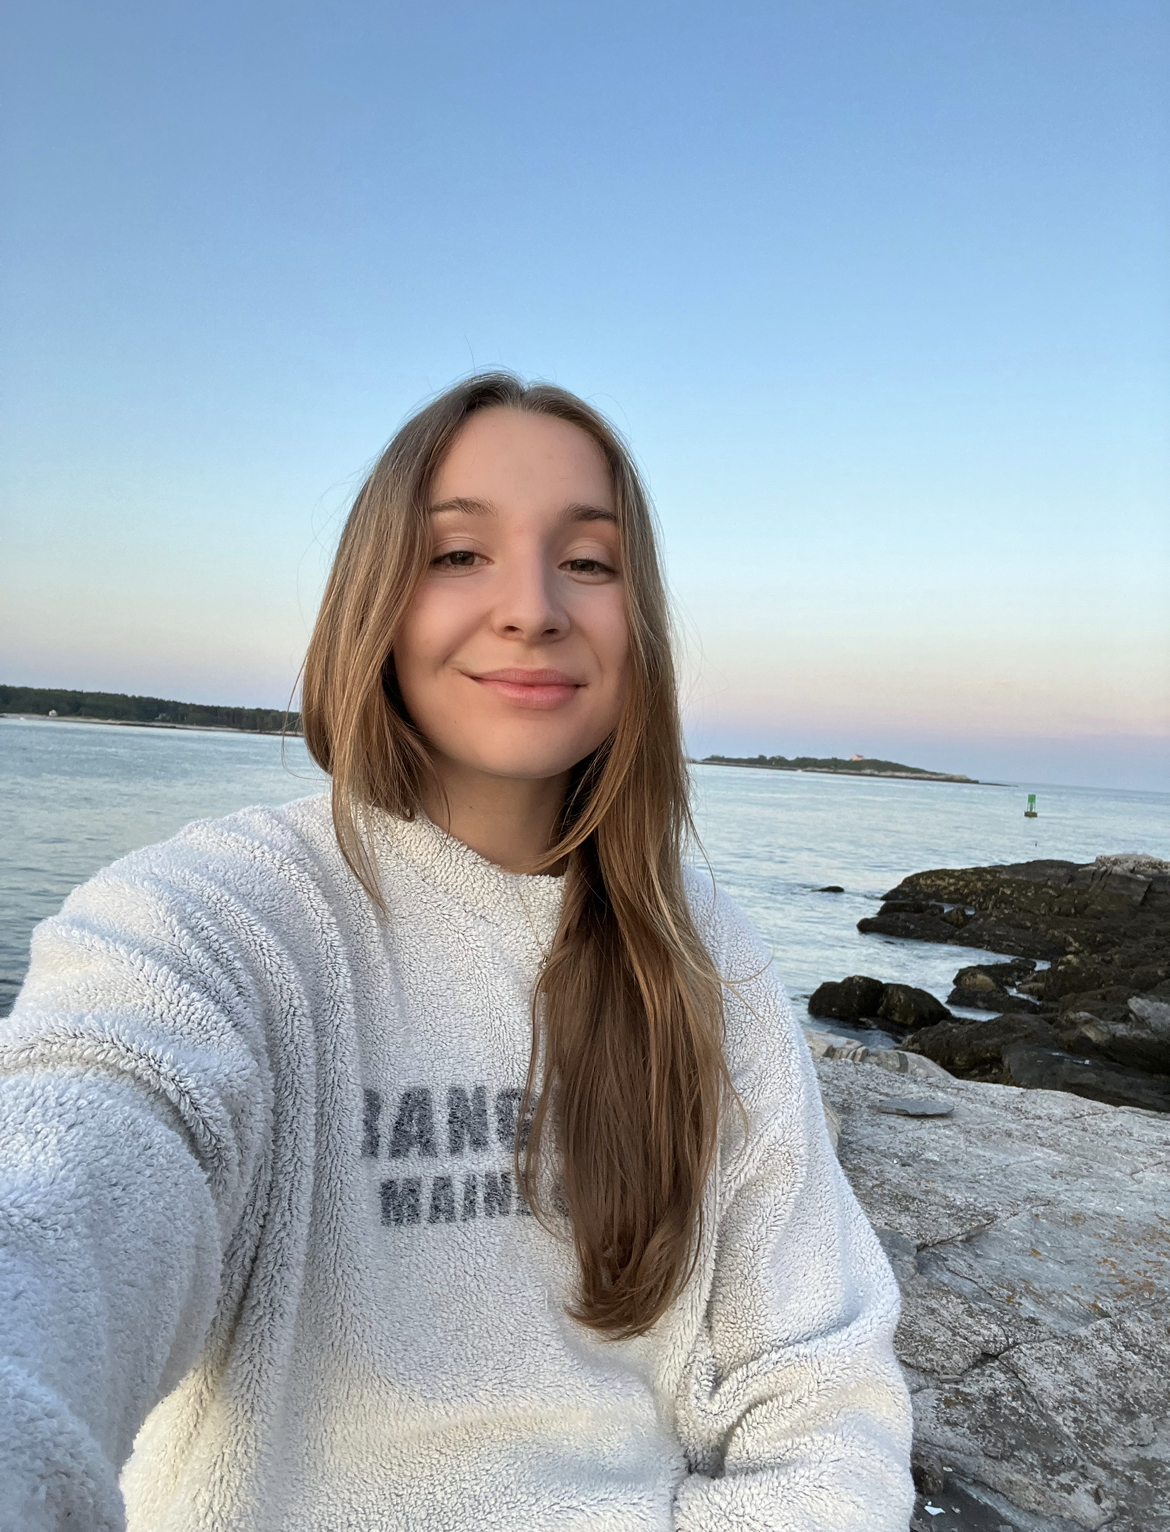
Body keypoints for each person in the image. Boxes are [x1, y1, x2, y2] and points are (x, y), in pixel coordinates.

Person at [0, 374, 914, 1531]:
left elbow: (825, 1391)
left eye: (589, 560)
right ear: (373, 600)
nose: (532, 608)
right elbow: (63, 1201)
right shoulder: (218, 918)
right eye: (458, 554)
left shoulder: (699, 953)